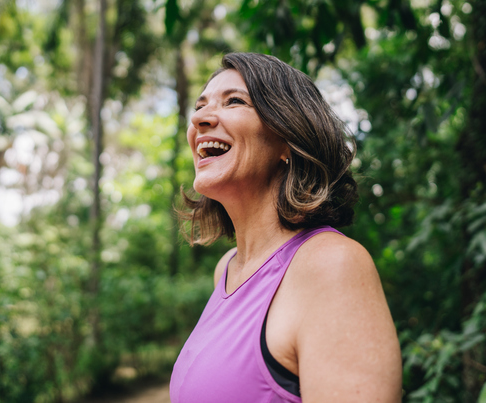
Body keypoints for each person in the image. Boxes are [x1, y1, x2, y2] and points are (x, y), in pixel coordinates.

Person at [169, 53, 401, 402]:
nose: (199, 118)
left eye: (234, 101)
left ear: (287, 140)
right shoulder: (227, 270)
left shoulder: (332, 266)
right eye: (200, 106)